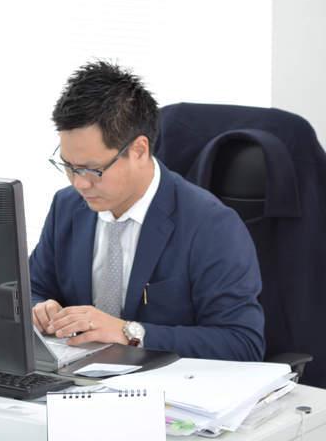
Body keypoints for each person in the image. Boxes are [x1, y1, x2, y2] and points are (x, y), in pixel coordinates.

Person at [29, 61, 265, 361]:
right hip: (79, 379)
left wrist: (130, 332)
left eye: (93, 169)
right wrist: (39, 308)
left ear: (139, 150)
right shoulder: (67, 206)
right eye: (68, 166)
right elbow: (32, 288)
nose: (79, 183)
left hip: (166, 383)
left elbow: (243, 343)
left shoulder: (211, 225)